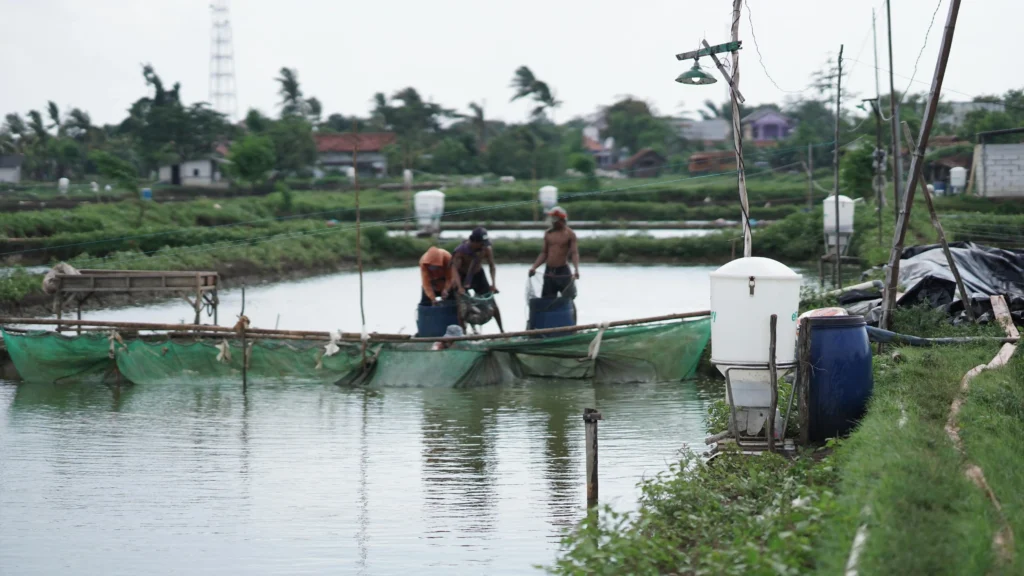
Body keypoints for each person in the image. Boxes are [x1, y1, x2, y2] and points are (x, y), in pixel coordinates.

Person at [451, 227, 504, 332]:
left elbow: (492, 266)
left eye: (484, 243)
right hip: (462, 276)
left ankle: (502, 331)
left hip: (478, 275)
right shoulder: (461, 252)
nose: (483, 246)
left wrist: (493, 284)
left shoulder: (486, 249)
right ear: (474, 241)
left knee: (492, 303)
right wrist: (460, 287)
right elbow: (454, 269)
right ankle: (464, 333)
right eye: (481, 243)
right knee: (462, 307)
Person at [528, 206, 580, 298]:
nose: (553, 222)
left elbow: (574, 253)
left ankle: (571, 312)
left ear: (562, 220)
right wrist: (534, 267)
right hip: (549, 271)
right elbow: (544, 253)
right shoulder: (548, 233)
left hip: (563, 272)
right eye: (553, 220)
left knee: (568, 298)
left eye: (556, 220)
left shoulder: (570, 234)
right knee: (547, 299)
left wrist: (576, 269)